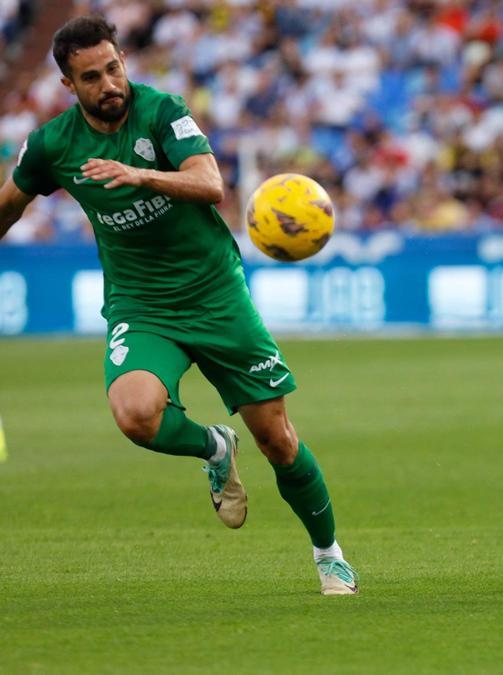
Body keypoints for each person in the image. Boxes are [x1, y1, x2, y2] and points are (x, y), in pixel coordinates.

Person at [0, 16, 357, 596]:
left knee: (279, 441)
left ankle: (329, 553)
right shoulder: (51, 144)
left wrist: (139, 175)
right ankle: (215, 446)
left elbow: (210, 182)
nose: (109, 84)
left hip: (216, 294)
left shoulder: (162, 110)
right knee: (135, 415)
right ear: (69, 85)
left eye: (114, 68)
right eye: (91, 77)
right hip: (141, 304)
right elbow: (9, 204)